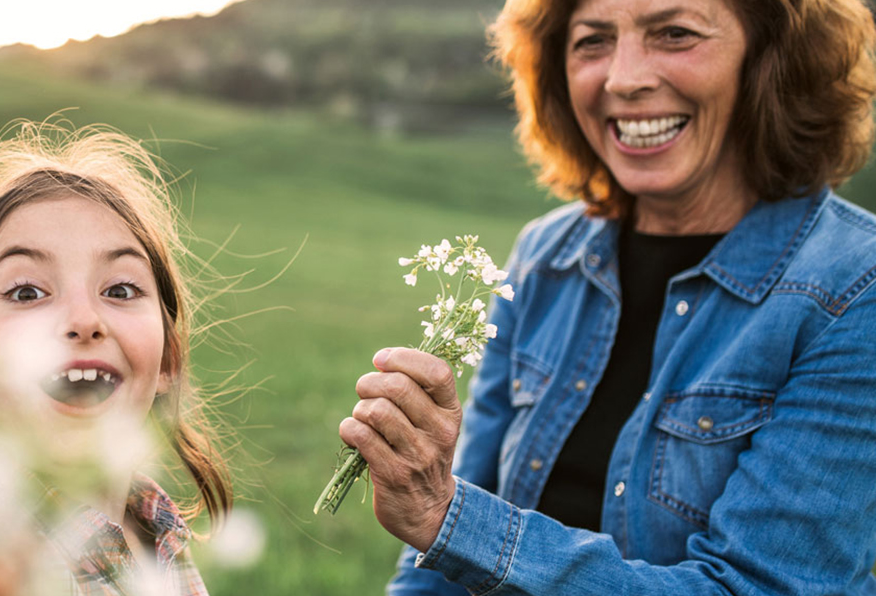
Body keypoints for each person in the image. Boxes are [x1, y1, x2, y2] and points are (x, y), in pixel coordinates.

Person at [336, 0, 876, 593]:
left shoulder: (855, 287)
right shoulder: (544, 255)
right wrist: (442, 528)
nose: (623, 77)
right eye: (592, 41)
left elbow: (755, 586)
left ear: (770, 60)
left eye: (674, 33)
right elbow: (434, 569)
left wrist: (450, 520)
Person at [0, 122, 231, 596]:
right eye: (27, 292)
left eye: (120, 289)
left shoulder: (157, 531)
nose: (83, 319)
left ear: (167, 363)